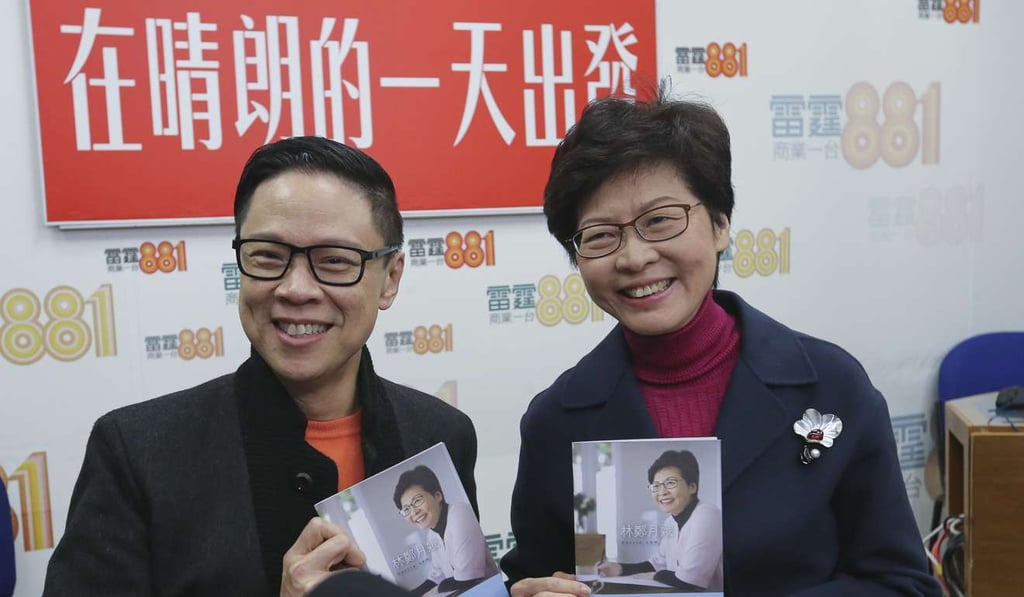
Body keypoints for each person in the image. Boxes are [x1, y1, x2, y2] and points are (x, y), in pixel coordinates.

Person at [501, 83, 942, 596]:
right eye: (601, 235)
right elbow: (536, 574)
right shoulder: (556, 421)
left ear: (719, 225)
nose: (634, 257)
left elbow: (901, 584)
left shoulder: (831, 386)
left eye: (660, 221)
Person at [42, 137, 480, 597]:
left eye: (334, 261)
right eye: (267, 256)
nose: (295, 288)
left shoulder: (441, 433)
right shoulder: (137, 453)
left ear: (390, 278)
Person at [597, 450, 722, 592]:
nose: (661, 492)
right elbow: (657, 564)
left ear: (692, 487)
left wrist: (655, 576)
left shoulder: (708, 514)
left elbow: (689, 581)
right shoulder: (670, 522)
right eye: (656, 486)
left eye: (670, 483)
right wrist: (619, 568)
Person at [393, 465, 497, 595]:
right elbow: (436, 577)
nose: (414, 512)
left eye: (418, 501)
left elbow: (467, 579)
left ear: (437, 496)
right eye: (406, 509)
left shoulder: (460, 513)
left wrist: (435, 591)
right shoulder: (432, 534)